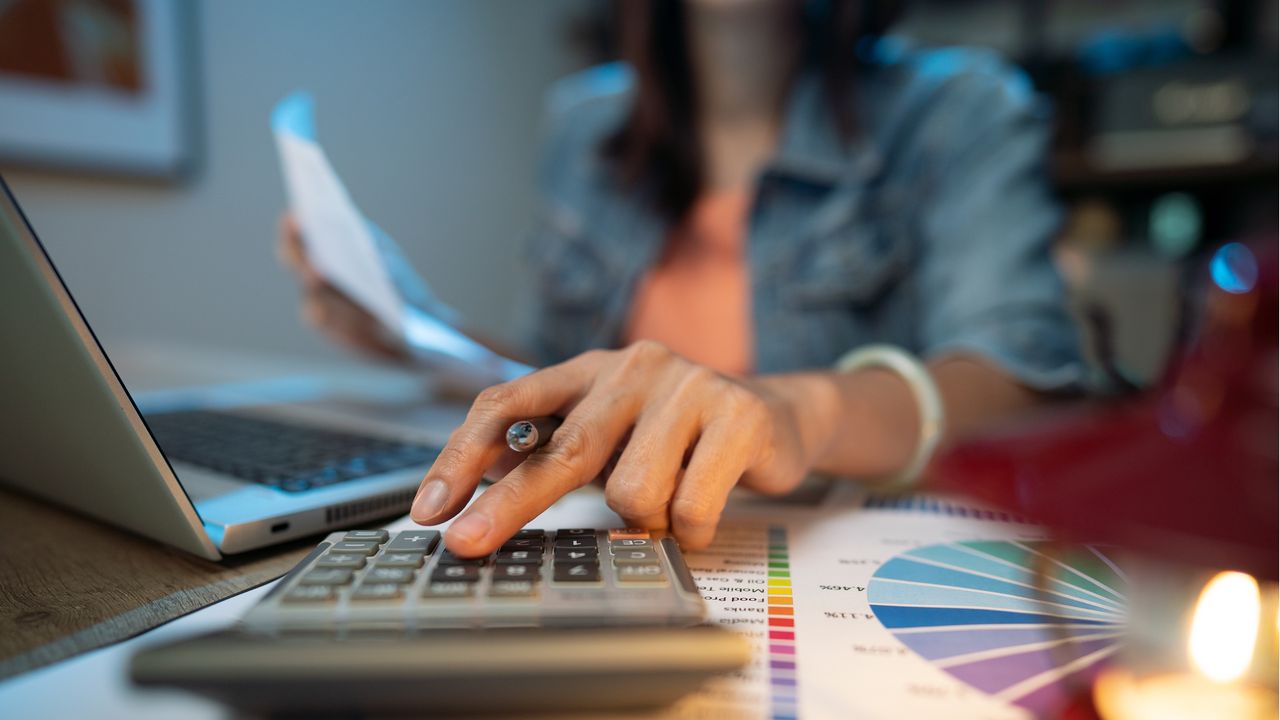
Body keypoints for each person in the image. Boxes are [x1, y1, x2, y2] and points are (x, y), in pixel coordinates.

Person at [279, 0, 1084, 556]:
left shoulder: (959, 110)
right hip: (617, 550)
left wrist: (800, 408)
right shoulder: (583, 126)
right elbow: (555, 378)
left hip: (838, 562)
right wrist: (415, 329)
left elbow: (1021, 382)